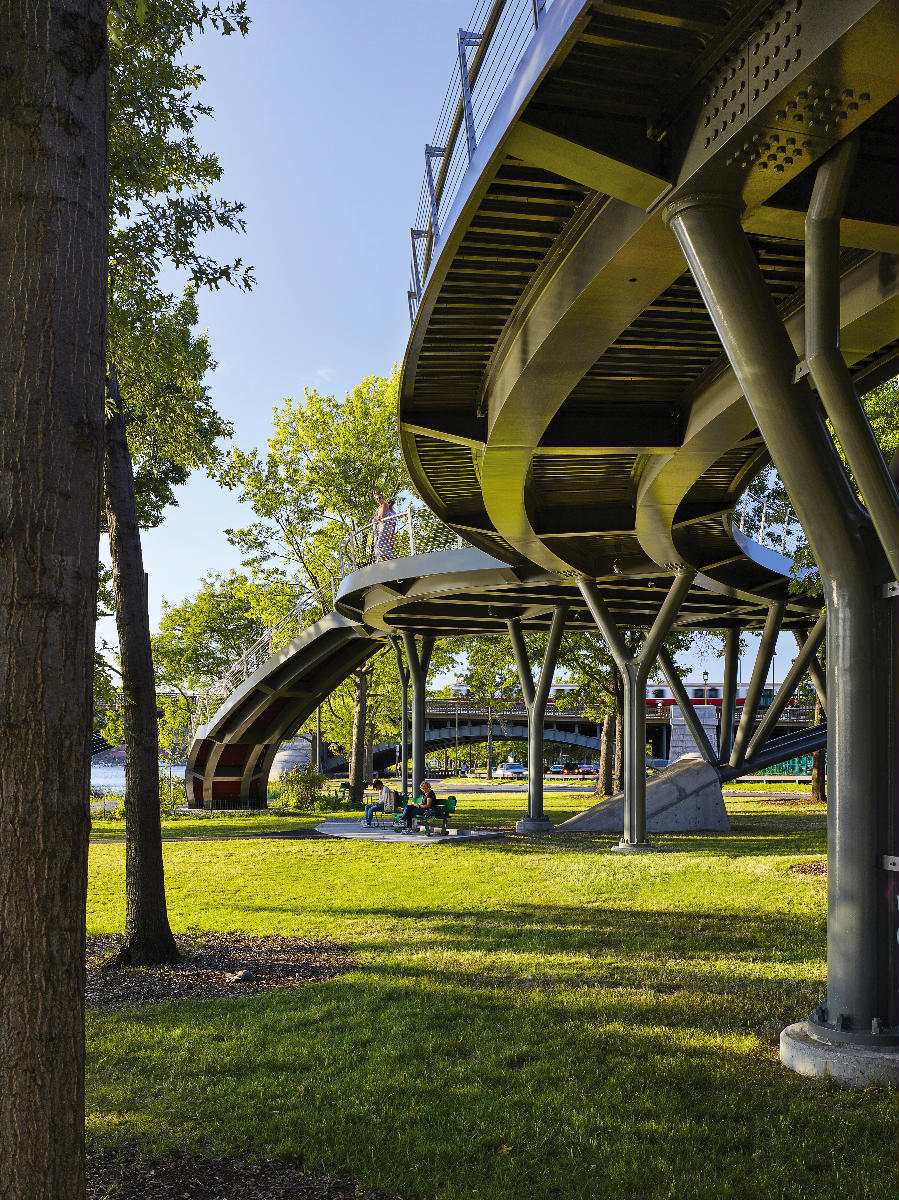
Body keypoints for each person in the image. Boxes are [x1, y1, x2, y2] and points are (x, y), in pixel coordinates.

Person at [372, 490, 397, 561]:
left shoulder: (392, 512)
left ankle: (390, 559)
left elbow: (382, 518)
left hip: (386, 527)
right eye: (388, 502)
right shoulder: (380, 508)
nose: (389, 504)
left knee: (380, 544)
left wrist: (391, 534)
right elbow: (375, 516)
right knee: (383, 546)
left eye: (391, 503)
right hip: (381, 527)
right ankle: (387, 561)